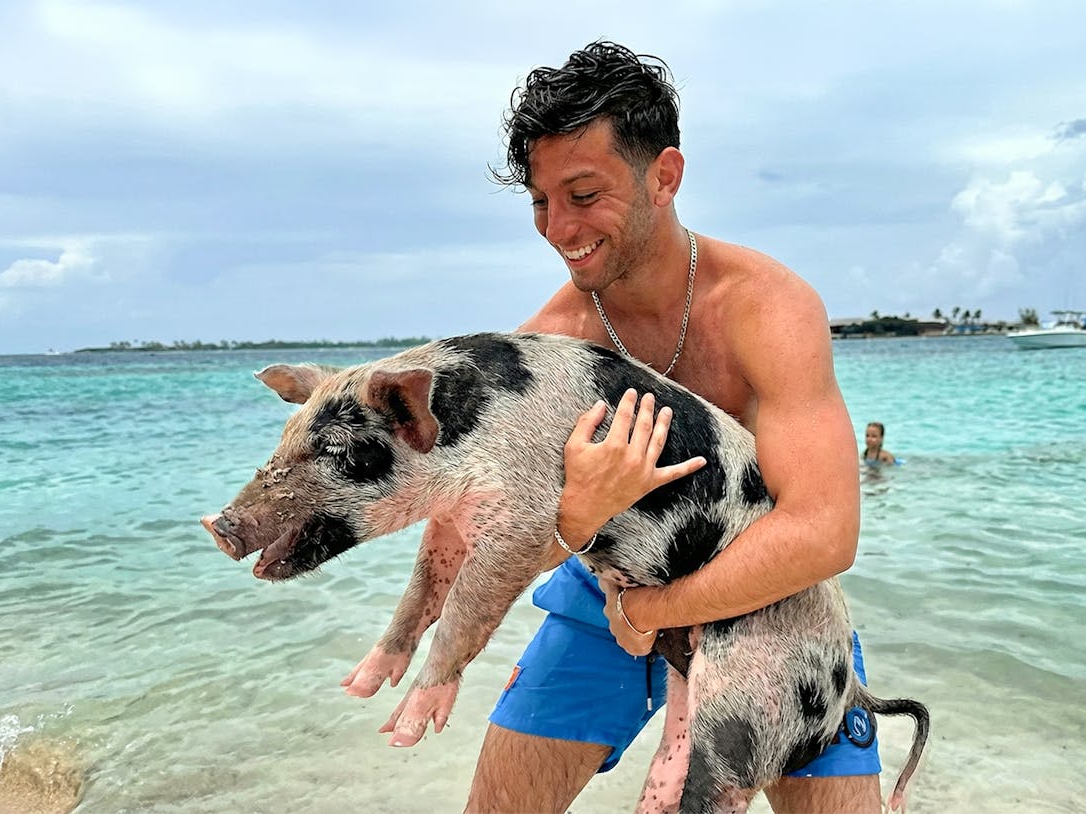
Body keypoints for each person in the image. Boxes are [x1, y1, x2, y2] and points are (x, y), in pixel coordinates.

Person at [344, 41, 877, 812]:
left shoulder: (766, 308)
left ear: (664, 176)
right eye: (539, 200)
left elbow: (826, 532)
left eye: (584, 194)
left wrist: (650, 615)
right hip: (606, 593)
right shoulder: (554, 343)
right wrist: (416, 637)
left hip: (767, 599)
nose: (558, 227)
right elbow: (481, 515)